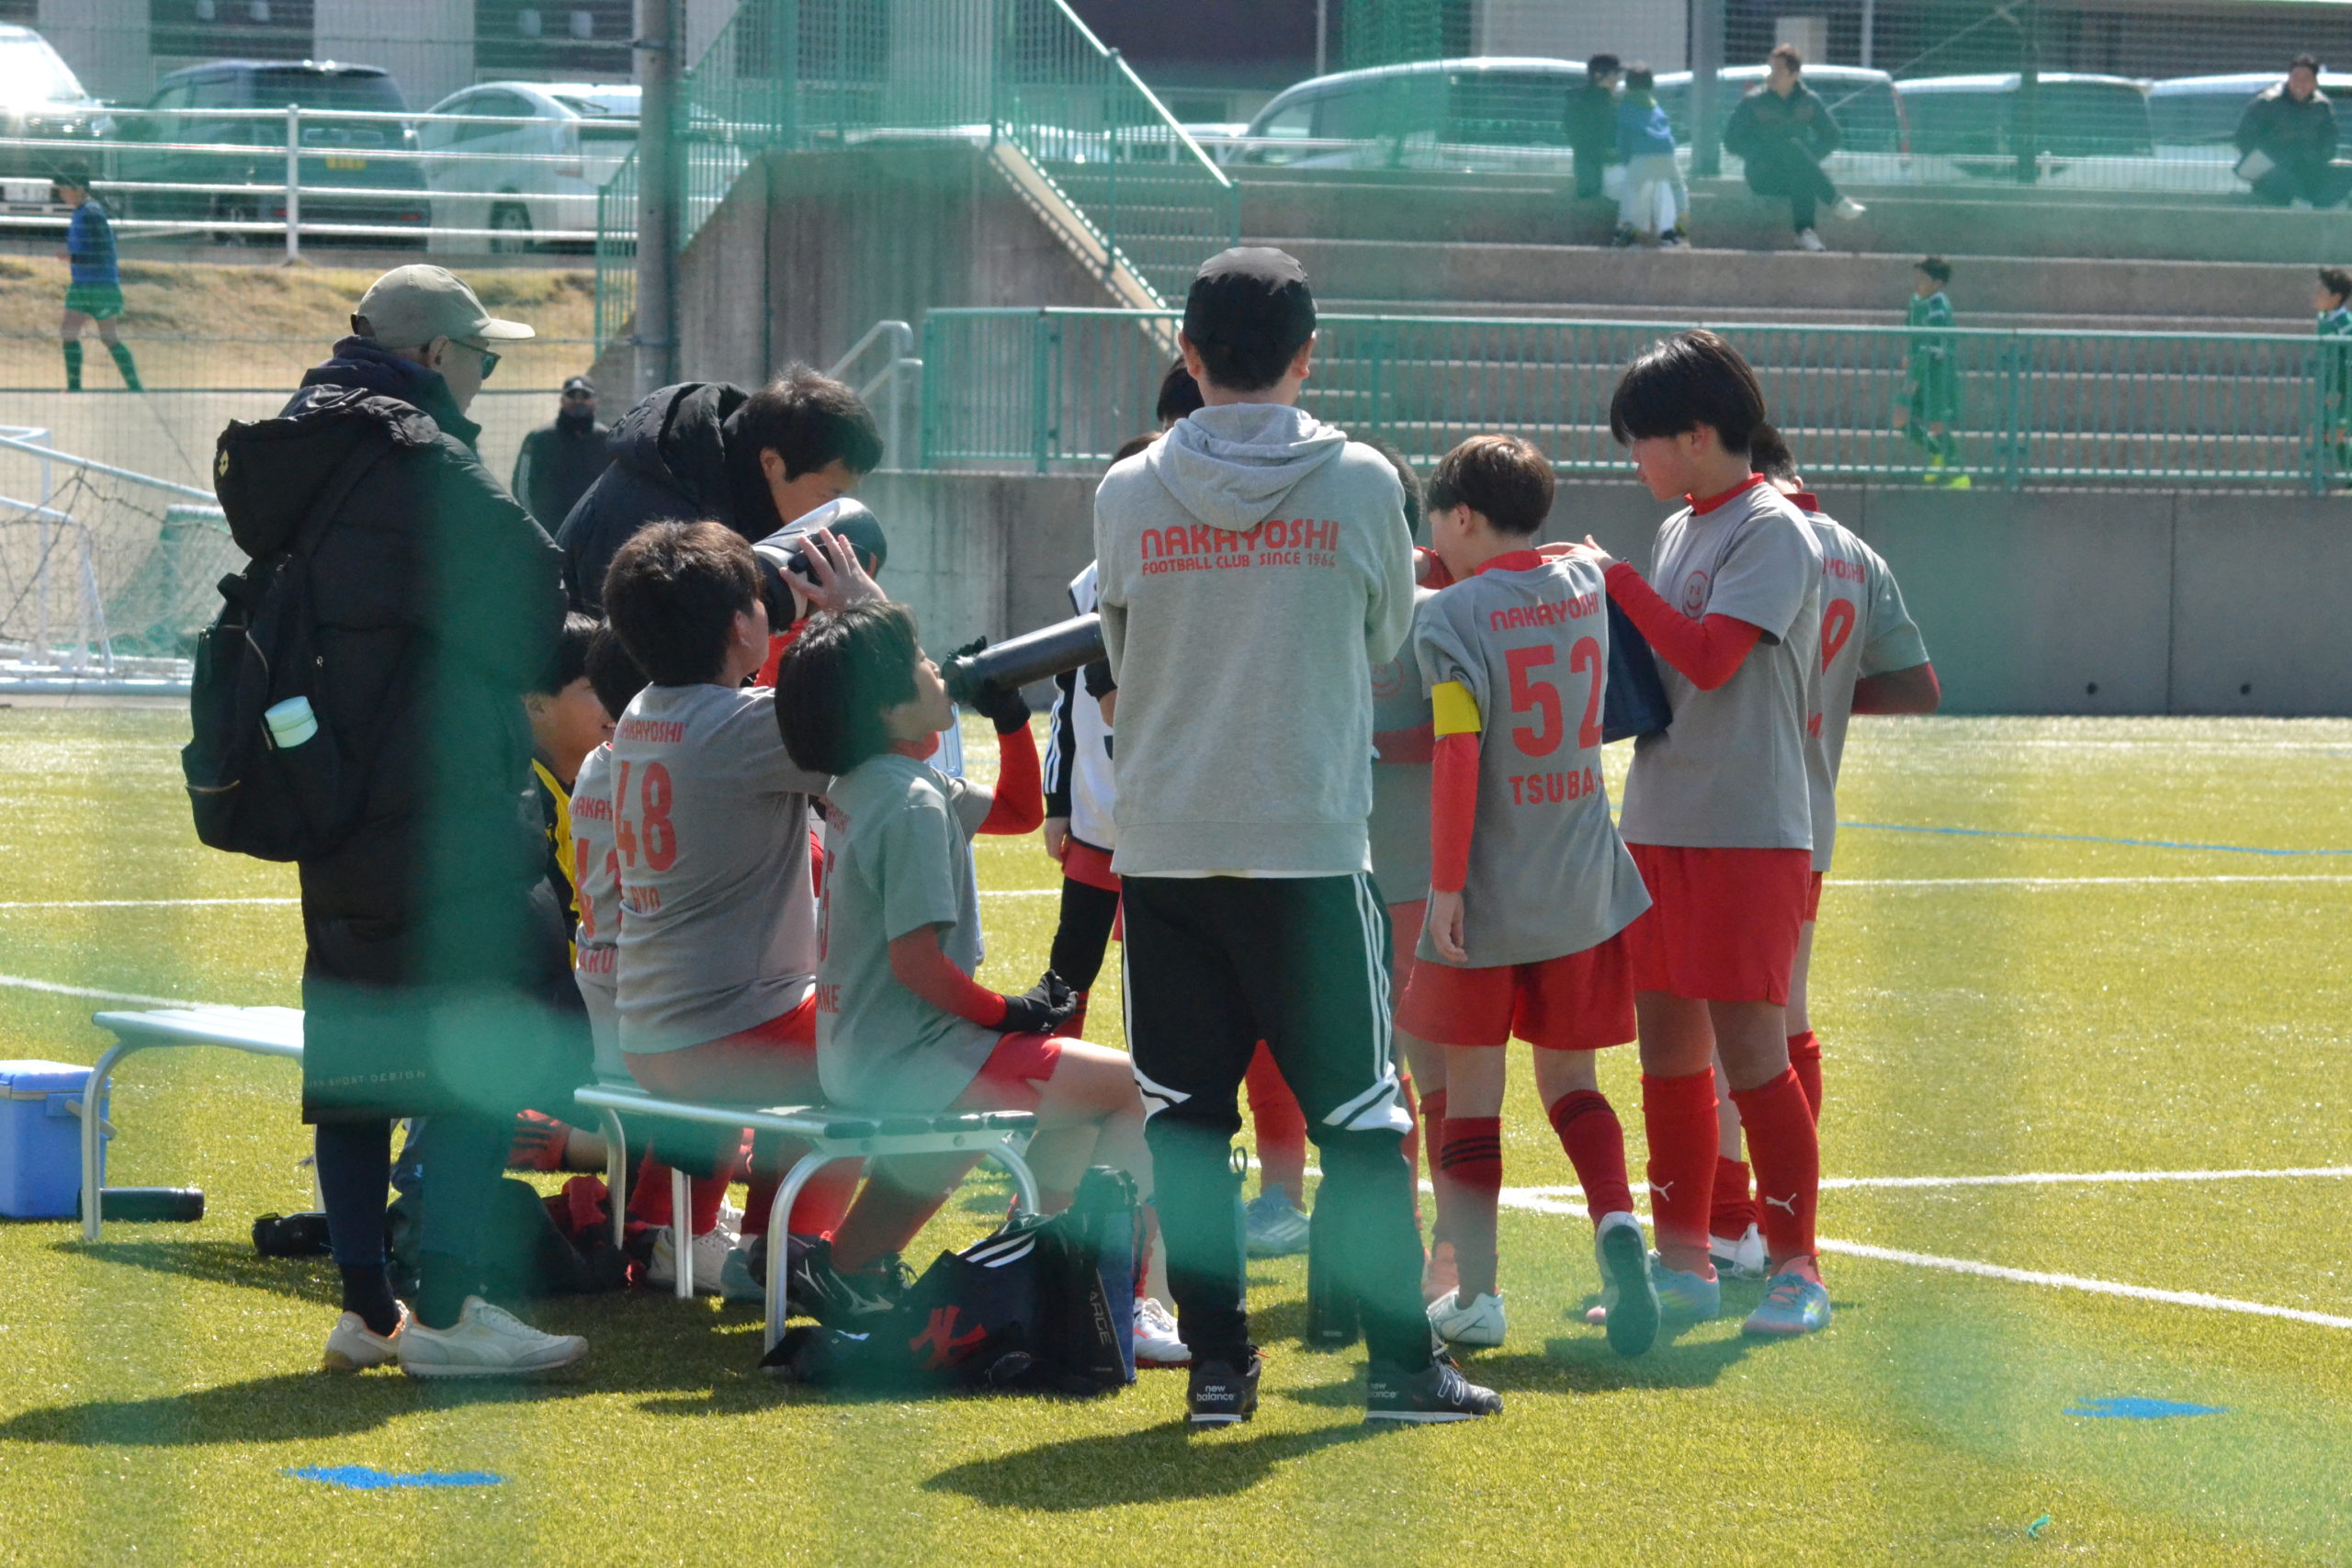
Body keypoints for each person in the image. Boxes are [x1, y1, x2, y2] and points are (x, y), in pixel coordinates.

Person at [1094, 245, 1501, 1425]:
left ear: (1185, 353)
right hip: (1309, 845)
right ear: (1308, 356)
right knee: (1363, 1122)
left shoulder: (1126, 490)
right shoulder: (1364, 480)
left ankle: (1218, 1369)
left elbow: (1121, 649)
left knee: (1184, 1123)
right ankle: (1399, 1369)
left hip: (1166, 845)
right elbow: (1385, 639)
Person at [212, 263, 587, 1376]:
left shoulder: (299, 445)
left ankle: (366, 1309)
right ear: (432, 354)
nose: (486, 375)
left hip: (328, 792)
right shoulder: (424, 458)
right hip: (441, 805)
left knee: (359, 1061)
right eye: (482, 355)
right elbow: (534, 595)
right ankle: (453, 1310)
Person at [775, 600, 1186, 1365]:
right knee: (1134, 1089)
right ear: (886, 707)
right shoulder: (910, 801)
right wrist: (1009, 1013)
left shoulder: (869, 781)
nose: (936, 667)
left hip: (866, 1051)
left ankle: (854, 1263)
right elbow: (917, 965)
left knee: (1063, 1097)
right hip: (913, 1057)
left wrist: (1007, 719)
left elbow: (1021, 810)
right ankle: (1112, 1296)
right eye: (918, 661)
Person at [1567, 329, 1831, 1340]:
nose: (1633, 458)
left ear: (1694, 434)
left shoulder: (1773, 529)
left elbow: (1714, 660)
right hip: (1660, 817)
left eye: (1641, 438)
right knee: (1668, 1049)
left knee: (1753, 1052)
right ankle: (1683, 1262)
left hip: (1748, 826)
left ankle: (1796, 1266)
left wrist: (1617, 582)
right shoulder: (1681, 526)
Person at [1396, 434, 1658, 1360]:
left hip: (1492, 891)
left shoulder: (1450, 616)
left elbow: (1457, 753)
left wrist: (1445, 885)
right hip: (1583, 880)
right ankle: (1617, 1223)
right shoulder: (1583, 580)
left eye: (1438, 522)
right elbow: (1577, 559)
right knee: (1573, 1085)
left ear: (1462, 516)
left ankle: (1476, 1293)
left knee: (1472, 1096)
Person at [599, 519, 887, 1299]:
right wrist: (864, 612)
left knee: (799, 1018)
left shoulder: (643, 710)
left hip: (649, 1027)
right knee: (882, 1047)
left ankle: (691, 1234)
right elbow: (897, 721)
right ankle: (787, 1251)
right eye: (759, 600)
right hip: (728, 1035)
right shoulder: (743, 726)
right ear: (737, 626)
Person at [1709, 424, 1939, 1275]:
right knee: (1787, 1016)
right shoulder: (1855, 551)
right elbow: (1919, 686)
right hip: (1812, 812)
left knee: (1723, 1029)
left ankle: (1730, 1219)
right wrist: (1831, 700)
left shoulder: (1748, 535)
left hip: (1740, 813)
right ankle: (1782, 1223)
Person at [556, 365, 881, 609]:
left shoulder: (735, 481)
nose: (834, 511)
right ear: (771, 463)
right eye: (831, 495)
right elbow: (647, 659)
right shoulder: (663, 522)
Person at [1724, 44, 1865, 253]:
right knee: (1791, 147)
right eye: (1771, 69)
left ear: (1794, 75)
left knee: (1799, 165)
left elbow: (1832, 136)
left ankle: (1805, 234)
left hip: (1794, 171)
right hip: (1762, 174)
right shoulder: (1753, 101)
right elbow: (1731, 140)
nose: (1772, 75)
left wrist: (1808, 159)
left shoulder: (1809, 101)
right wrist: (1759, 154)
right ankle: (1835, 201)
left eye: (1779, 70)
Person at [51, 165, 140, 392]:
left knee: (109, 337)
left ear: (78, 187)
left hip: (102, 285)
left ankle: (136, 388)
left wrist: (73, 258)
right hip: (81, 284)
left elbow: (102, 250)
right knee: (68, 331)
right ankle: (74, 387)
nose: (61, 194)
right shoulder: (81, 211)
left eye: (63, 189)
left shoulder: (92, 212)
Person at [1896, 256, 1968, 489]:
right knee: (1900, 419)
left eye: (1923, 279)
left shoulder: (1938, 308)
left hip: (1935, 373)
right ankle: (1939, 456)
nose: (1917, 283)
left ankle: (1958, 474)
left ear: (1938, 284)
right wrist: (1908, 354)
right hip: (1919, 369)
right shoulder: (1917, 301)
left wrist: (1915, 376)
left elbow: (1931, 346)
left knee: (1937, 424)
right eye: (1916, 277)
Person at [2235, 56, 2344, 209]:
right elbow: (2245, 138)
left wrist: (2315, 158)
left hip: (2310, 173)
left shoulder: (2322, 107)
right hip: (2270, 178)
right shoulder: (2267, 102)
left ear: (2315, 82)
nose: (2300, 83)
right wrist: (2272, 159)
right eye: (2295, 77)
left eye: (2306, 79)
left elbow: (2330, 140)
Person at [512, 377, 610, 532]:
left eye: (585, 396)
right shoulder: (539, 438)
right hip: (548, 532)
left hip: (591, 531)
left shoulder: (606, 439)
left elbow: (615, 484)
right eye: (572, 395)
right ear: (562, 400)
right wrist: (536, 522)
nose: (578, 401)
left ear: (595, 401)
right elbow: (521, 485)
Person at [1614, 65, 1690, 249]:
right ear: (1651, 86)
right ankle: (1676, 226)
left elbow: (1623, 138)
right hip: (1666, 152)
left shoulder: (1627, 106)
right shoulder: (1656, 106)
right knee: (1676, 186)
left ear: (1628, 86)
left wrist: (1627, 161)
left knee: (1632, 190)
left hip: (1641, 153)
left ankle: (1626, 231)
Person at [1566, 54, 1623, 202]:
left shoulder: (1612, 101)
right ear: (1598, 75)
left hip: (1607, 170)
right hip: (1593, 172)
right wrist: (1609, 153)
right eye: (1614, 74)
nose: (1618, 79)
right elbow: (1579, 138)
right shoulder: (1584, 103)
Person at [2316, 266, 2352, 479]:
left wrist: (2337, 389)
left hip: (2346, 388)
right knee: (2325, 434)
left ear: (2336, 298)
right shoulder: (2324, 317)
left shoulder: (2345, 324)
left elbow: (2347, 360)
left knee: (2334, 433)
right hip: (2331, 385)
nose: (2316, 295)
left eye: (2321, 291)